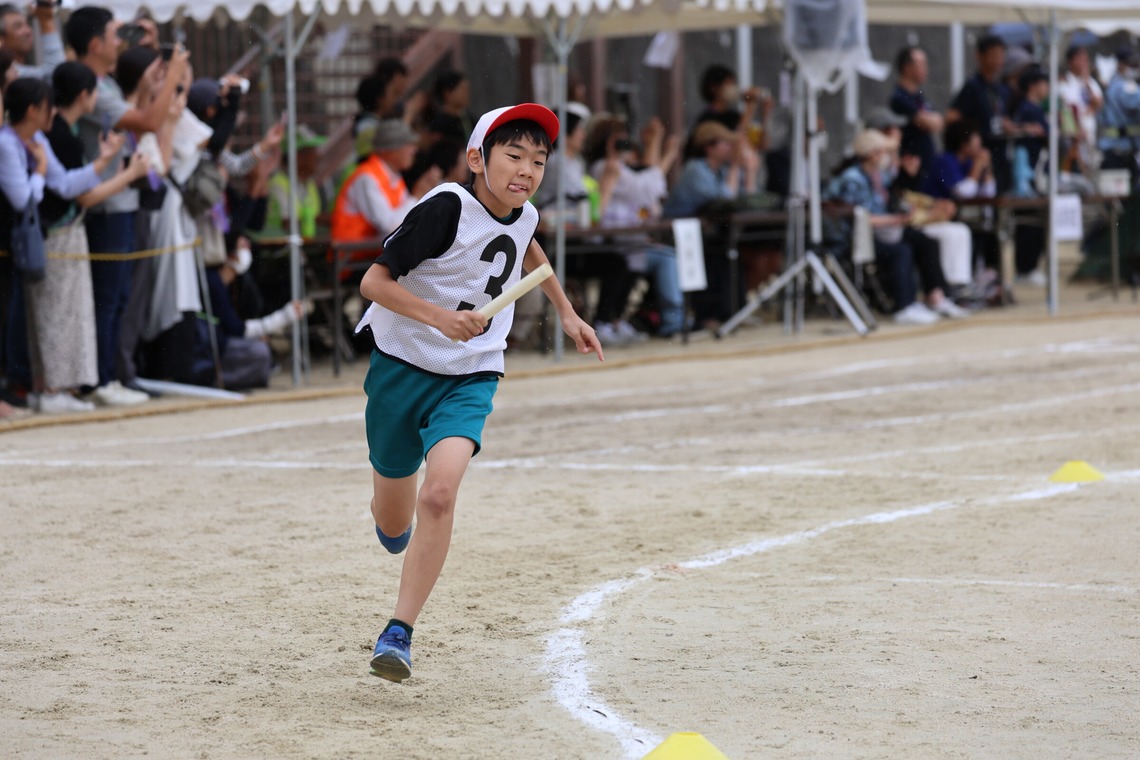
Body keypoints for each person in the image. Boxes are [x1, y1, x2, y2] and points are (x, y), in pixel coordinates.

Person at [355, 103, 602, 683]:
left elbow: (527, 244)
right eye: (513, 156)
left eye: (538, 161)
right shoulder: (445, 207)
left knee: (439, 495)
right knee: (394, 522)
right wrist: (439, 317)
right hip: (400, 367)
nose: (526, 170)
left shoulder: (523, 213)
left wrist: (566, 313)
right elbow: (373, 281)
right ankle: (391, 520)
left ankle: (399, 632)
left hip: (472, 373)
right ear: (477, 159)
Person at [65, 5, 190, 406]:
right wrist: (172, 70)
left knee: (117, 299)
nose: (123, 41)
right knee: (108, 299)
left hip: (120, 203)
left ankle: (110, 376)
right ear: (95, 43)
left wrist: (154, 53)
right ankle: (100, 380)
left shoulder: (106, 85)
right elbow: (150, 121)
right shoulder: (98, 88)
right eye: (116, 34)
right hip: (106, 206)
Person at [30, 63, 150, 414]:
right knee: (60, 313)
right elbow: (80, 194)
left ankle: (64, 386)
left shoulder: (67, 131)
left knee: (73, 312)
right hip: (59, 234)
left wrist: (108, 159)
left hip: (68, 232)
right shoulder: (60, 136)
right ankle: (59, 387)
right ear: (84, 95)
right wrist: (128, 173)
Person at [0, 77, 109, 410]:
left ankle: (39, 387)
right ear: (33, 109)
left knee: (16, 314)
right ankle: (30, 388)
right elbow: (22, 199)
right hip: (9, 241)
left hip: (20, 244)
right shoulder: (7, 143)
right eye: (48, 106)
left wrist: (103, 162)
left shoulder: (35, 140)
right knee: (11, 316)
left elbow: (63, 184)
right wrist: (40, 171)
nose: (53, 113)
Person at [827, 130, 948, 326]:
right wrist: (896, 220)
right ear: (872, 153)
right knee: (901, 251)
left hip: (883, 229)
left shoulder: (878, 175)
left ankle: (936, 295)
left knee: (924, 241)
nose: (886, 157)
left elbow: (891, 200)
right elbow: (860, 218)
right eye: (883, 152)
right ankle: (903, 305)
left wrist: (904, 211)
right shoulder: (853, 178)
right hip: (858, 236)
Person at [332, 119, 440, 278]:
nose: (414, 150)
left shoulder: (392, 175)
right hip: (352, 260)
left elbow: (407, 220)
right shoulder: (367, 178)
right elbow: (389, 226)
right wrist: (417, 195)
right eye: (409, 144)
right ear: (392, 150)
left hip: (372, 256)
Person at [948, 35, 1013, 193]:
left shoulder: (1000, 89)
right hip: (979, 154)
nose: (998, 60)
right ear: (980, 55)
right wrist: (969, 144)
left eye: (1001, 55)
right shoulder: (972, 87)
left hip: (1000, 152)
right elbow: (952, 117)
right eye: (994, 54)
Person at [889, 46, 944, 185]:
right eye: (921, 64)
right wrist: (928, 120)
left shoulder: (919, 96)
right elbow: (927, 122)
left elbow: (938, 122)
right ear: (907, 68)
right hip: (910, 166)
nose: (926, 69)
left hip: (926, 163)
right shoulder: (899, 97)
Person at [265, 125, 325, 237]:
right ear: (297, 156)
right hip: (281, 250)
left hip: (308, 246)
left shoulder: (309, 184)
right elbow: (286, 224)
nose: (317, 156)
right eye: (312, 151)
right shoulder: (278, 184)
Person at [1097, 46, 1140, 185]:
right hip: (1117, 151)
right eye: (1131, 65)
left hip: (1124, 150)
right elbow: (1134, 101)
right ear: (1120, 64)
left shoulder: (1119, 84)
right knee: (1122, 197)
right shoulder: (1123, 86)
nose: (1135, 68)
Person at [1057, 45, 1103, 173]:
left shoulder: (1090, 82)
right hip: (1073, 138)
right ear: (1071, 61)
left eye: (1085, 59)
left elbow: (1098, 103)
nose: (1084, 62)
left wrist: (1086, 81)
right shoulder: (1063, 83)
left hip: (1089, 136)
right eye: (1080, 59)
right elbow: (1064, 110)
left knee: (1091, 170)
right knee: (1075, 170)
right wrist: (1074, 131)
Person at [0, 3, 65, 80]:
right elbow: (55, 74)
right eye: (18, 26)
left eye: (27, 24)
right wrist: (46, 21)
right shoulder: (7, 74)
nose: (28, 31)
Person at [424, 70, 475, 145]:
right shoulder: (439, 125)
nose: (467, 93)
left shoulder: (468, 119)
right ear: (447, 93)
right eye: (463, 89)